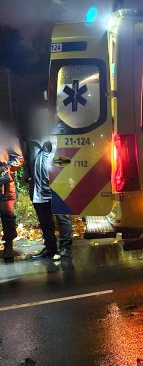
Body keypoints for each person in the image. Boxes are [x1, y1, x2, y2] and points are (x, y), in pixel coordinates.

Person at [26, 108, 72, 261]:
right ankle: (50, 248)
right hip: (38, 188)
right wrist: (28, 176)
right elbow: (29, 160)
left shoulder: (60, 136)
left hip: (57, 184)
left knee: (62, 218)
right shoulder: (32, 139)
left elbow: (68, 158)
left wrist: (55, 170)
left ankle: (66, 248)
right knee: (45, 221)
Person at [0, 123, 24, 263]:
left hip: (4, 183)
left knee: (7, 214)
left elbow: (18, 158)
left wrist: (6, 168)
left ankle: (8, 244)